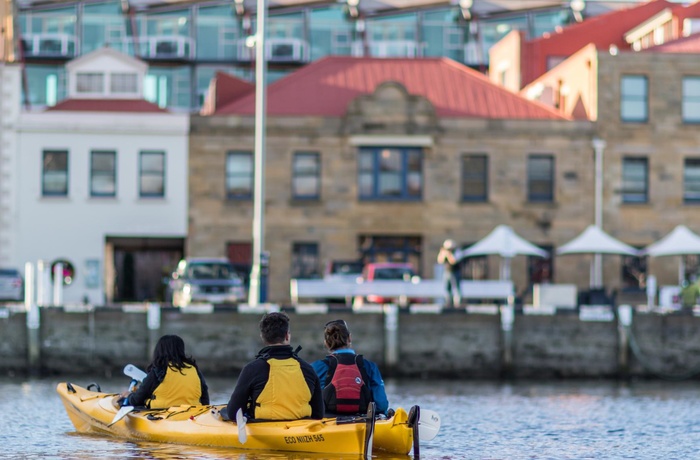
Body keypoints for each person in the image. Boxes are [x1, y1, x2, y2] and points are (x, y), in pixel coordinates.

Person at [227, 311, 324, 420]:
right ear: (287, 335)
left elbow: (233, 413)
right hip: (300, 432)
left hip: (265, 432)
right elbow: (319, 414)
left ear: (263, 337)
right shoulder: (307, 369)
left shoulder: (252, 369)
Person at [312, 319, 389, 416]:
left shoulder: (317, 367)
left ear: (326, 343)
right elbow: (381, 405)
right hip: (363, 421)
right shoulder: (370, 367)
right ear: (349, 338)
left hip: (327, 422)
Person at [117, 334, 209, 408]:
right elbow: (205, 397)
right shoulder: (193, 369)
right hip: (194, 413)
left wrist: (128, 396)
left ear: (159, 351)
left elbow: (137, 399)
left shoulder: (159, 370)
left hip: (163, 414)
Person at [437, 239, 461, 307]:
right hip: (447, 272)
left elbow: (453, 261)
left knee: (456, 288)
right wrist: (442, 253)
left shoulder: (457, 252)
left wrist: (449, 254)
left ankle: (457, 303)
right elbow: (440, 261)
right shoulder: (445, 253)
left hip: (455, 272)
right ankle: (448, 302)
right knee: (447, 288)